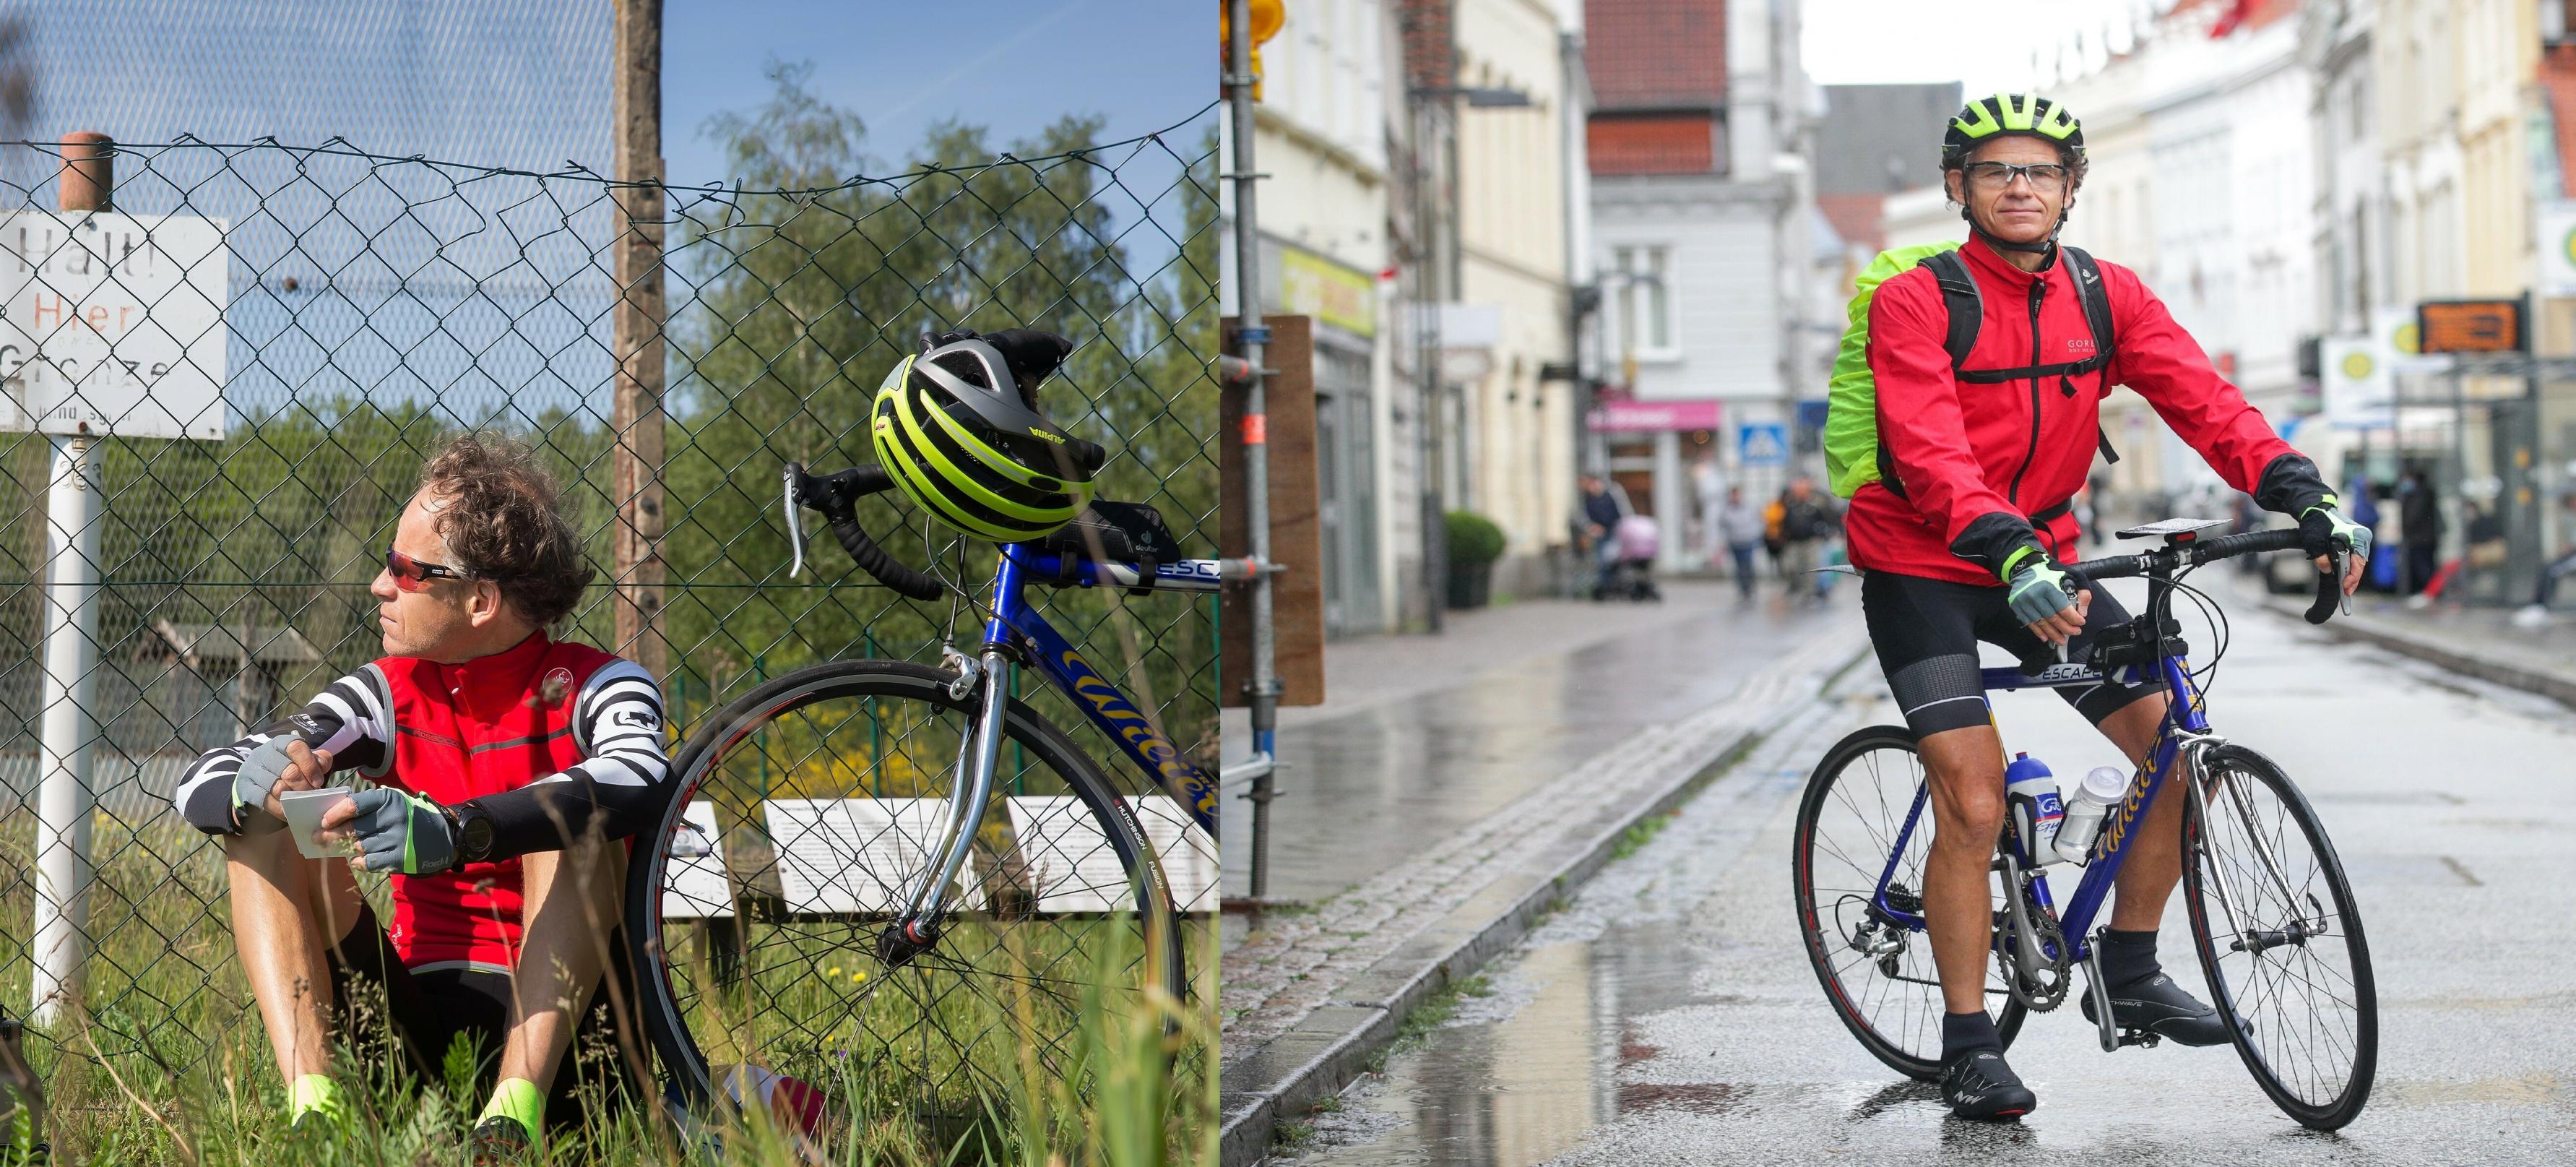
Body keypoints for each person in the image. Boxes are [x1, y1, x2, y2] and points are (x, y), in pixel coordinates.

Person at [1845, 93, 2369, 1121]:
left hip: (2045, 561)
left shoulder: (2103, 293)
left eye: (2039, 171)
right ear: (1958, 188)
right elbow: (1926, 445)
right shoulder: (1916, 300)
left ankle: (2128, 963)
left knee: (2173, 752)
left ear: (2070, 187)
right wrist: (2002, 544)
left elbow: (2202, 399)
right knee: (1974, 797)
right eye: (1995, 171)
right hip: (1926, 563)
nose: (2018, 186)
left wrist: (2299, 488)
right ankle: (1964, 1041)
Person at [178, 434, 667, 1159]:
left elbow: (640, 776)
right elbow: (204, 776)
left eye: (407, 570)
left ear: (479, 599)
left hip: (571, 1045)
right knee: (259, 822)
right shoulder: (386, 689)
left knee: (579, 819)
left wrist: (461, 830)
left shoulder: (602, 683)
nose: (380, 585)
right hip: (413, 1015)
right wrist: (261, 780)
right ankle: (315, 1110)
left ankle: (513, 1115)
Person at [2514, 492, 2576, 626]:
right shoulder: (2569, 519)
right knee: (2545, 568)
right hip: (2570, 555)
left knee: (2553, 571)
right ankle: (2536, 605)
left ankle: (2543, 607)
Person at [1776, 476, 1837, 602]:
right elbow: (1785, 521)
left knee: (1811, 568)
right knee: (1791, 567)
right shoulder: (1790, 504)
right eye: (1798, 490)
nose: (1799, 492)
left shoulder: (1816, 503)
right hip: (1793, 541)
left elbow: (1828, 518)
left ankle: (1809, 593)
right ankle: (1796, 587)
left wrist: (1826, 533)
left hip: (1811, 541)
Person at [1574, 473, 1633, 600]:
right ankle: (1605, 588)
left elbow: (1624, 512)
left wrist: (1624, 528)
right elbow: (1583, 517)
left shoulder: (1612, 493)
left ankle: (1616, 586)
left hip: (1616, 532)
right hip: (1600, 535)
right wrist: (1591, 527)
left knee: (1617, 561)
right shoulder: (1587, 499)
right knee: (1602, 562)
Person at [1715, 485, 1768, 600]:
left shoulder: (1750, 507)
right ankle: (1743, 588)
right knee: (1739, 566)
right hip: (1734, 542)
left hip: (1748, 540)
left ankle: (1749, 587)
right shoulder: (1726, 509)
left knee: (1747, 565)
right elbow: (1722, 525)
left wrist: (1756, 535)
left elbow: (1760, 522)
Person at [2398, 468, 2442, 595]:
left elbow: (2413, 517)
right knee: (2422, 566)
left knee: (2424, 567)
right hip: (2422, 538)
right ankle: (2427, 592)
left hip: (2421, 539)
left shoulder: (2420, 495)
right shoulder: (2422, 493)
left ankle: (2430, 592)